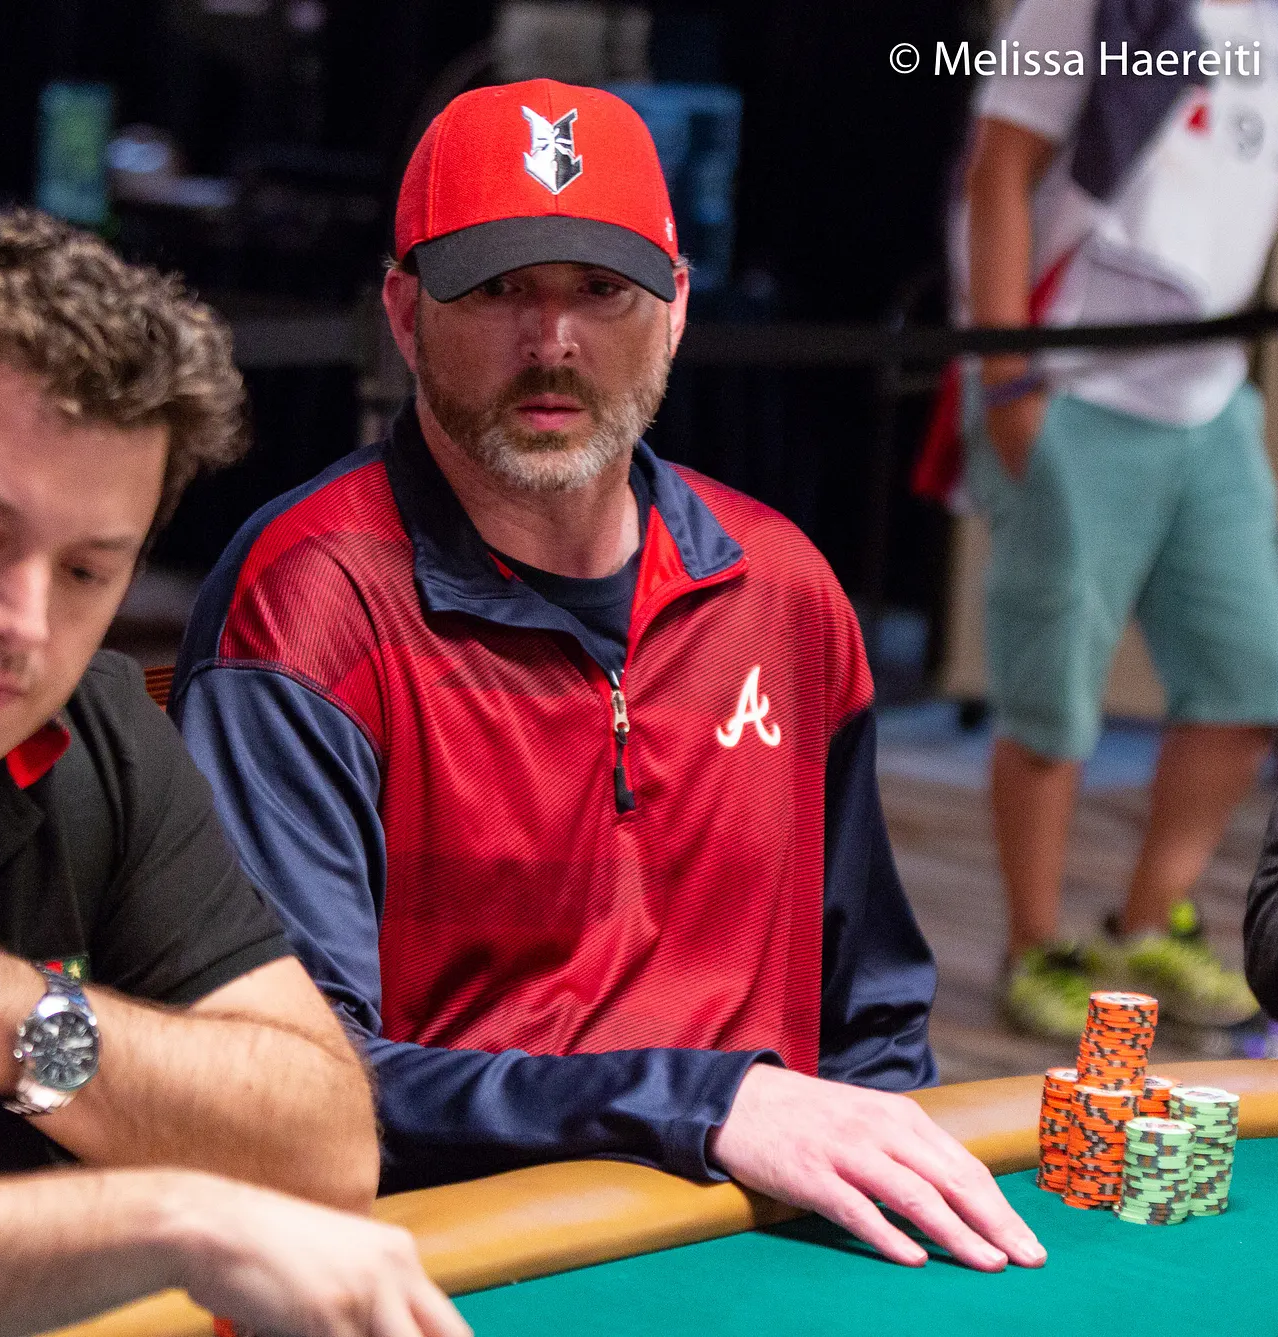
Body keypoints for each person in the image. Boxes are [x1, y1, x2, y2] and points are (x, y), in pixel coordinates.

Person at [173, 79, 1046, 1274]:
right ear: (404, 312)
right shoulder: (305, 604)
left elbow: (872, 1023)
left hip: (766, 1245)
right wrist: (700, 1102)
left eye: (601, 290)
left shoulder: (784, 591)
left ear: (675, 309)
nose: (553, 343)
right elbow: (295, 1081)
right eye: (497, 290)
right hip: (462, 1261)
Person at [0, 211, 467, 1337]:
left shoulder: (95, 727)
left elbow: (325, 1147)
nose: (23, 624)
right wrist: (171, 1217)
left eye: (88, 569)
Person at [958, 0, 1278, 1040]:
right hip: (1072, 385)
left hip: (1211, 397)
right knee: (1051, 695)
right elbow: (999, 169)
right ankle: (1032, 946)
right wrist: (1008, 377)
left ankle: (1148, 920)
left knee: (1253, 680)